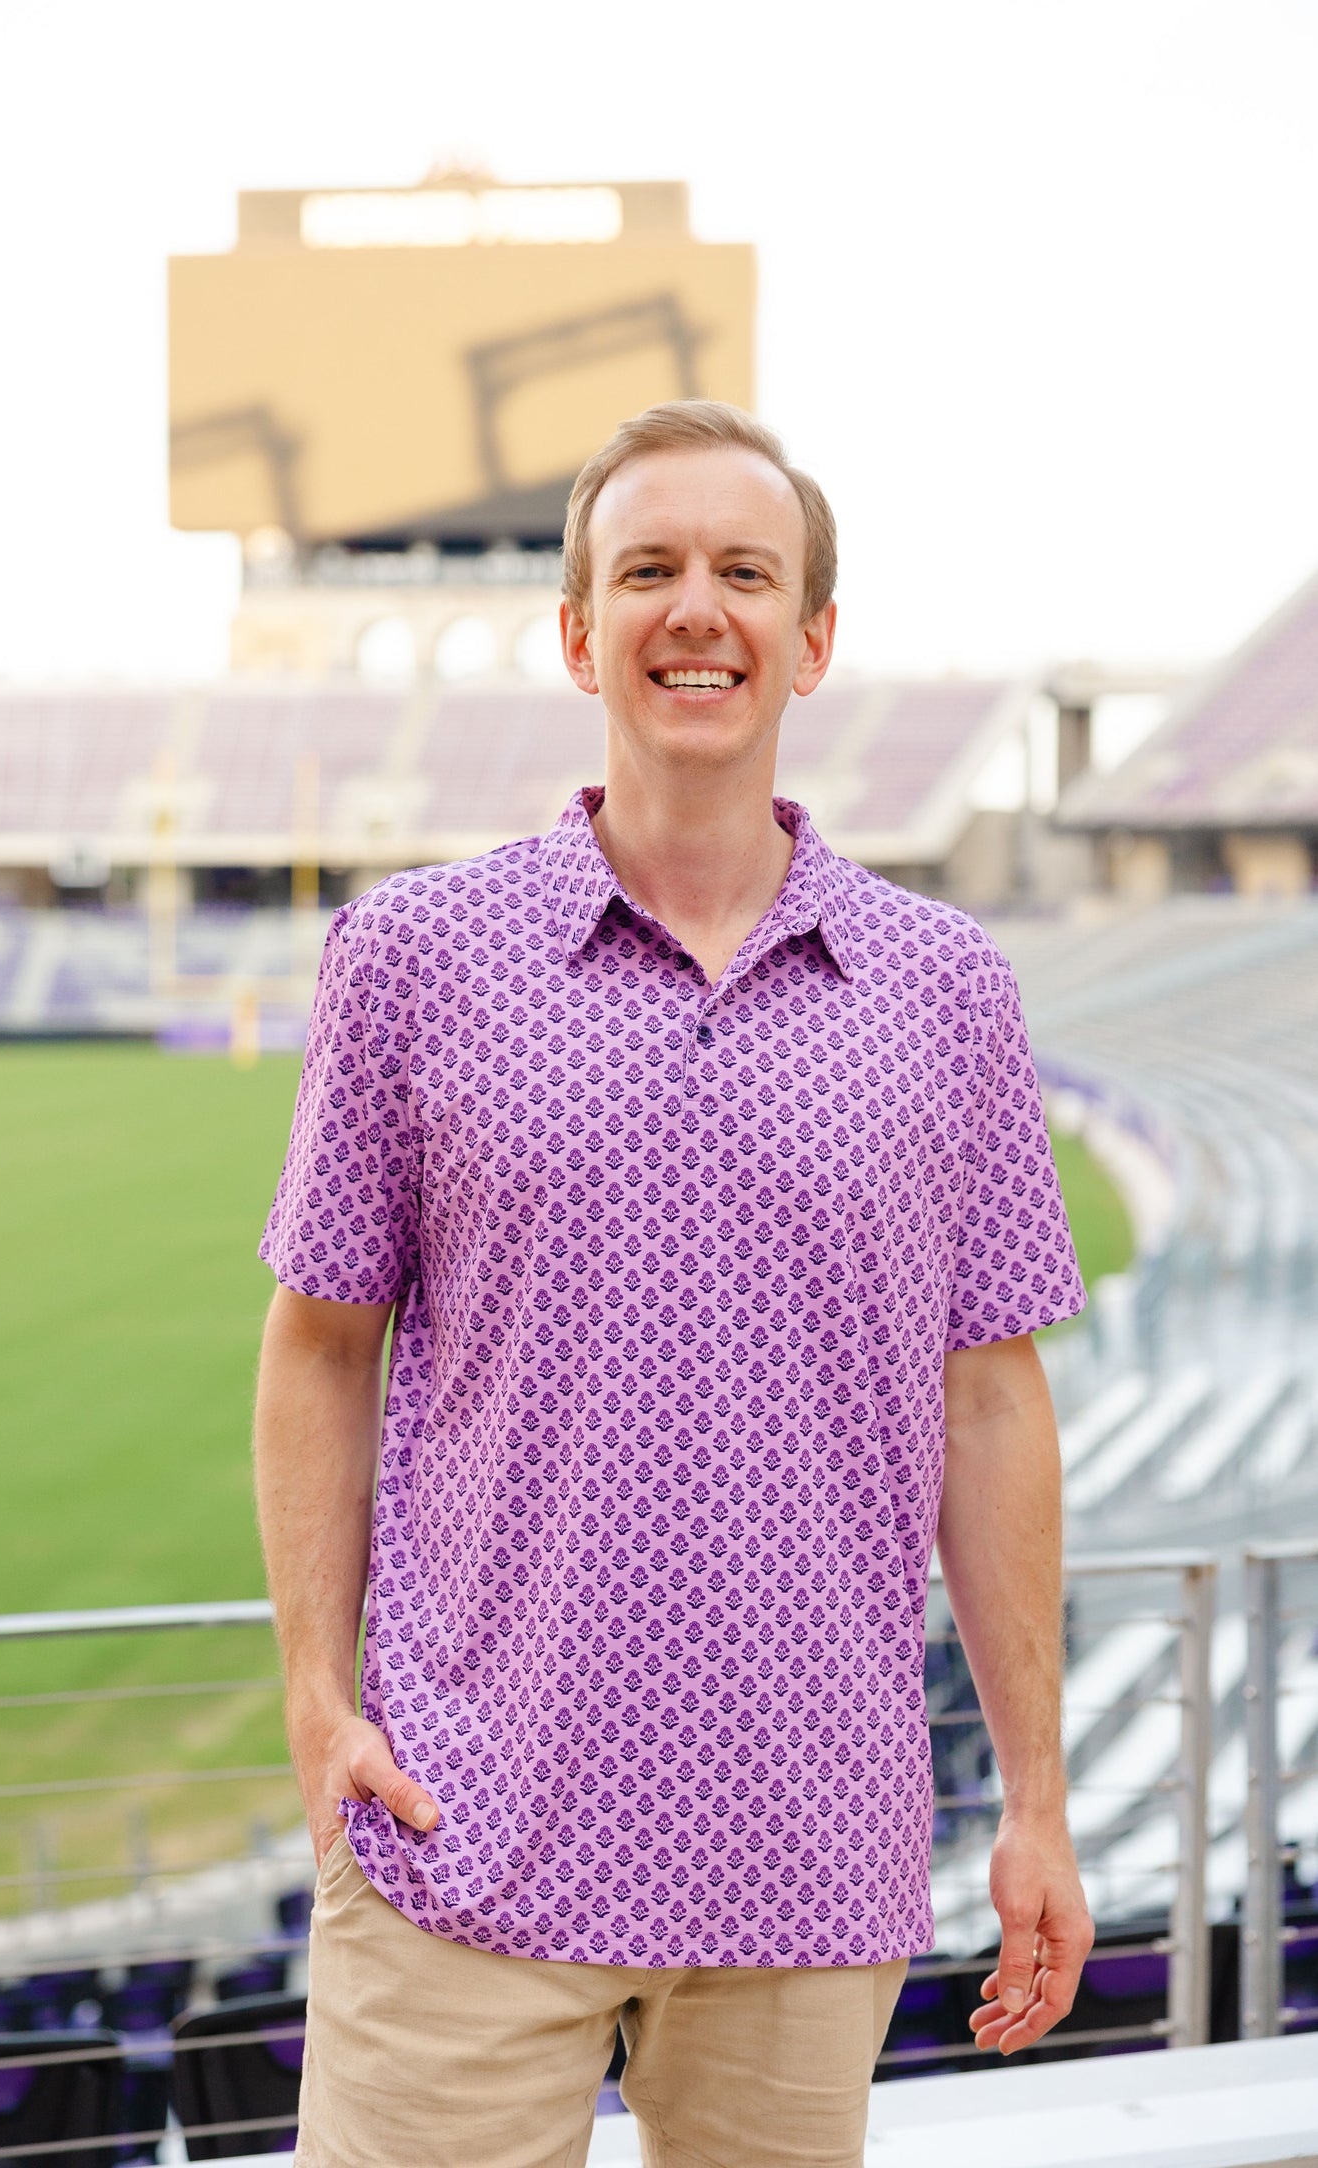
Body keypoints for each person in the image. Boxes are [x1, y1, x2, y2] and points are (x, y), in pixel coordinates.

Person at [254, 400, 1095, 2168]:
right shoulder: (412, 957)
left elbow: (991, 1397)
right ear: (577, 634)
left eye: (742, 571)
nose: (694, 608)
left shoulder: (946, 989)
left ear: (813, 637)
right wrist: (320, 1707)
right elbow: (318, 1345)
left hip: (809, 1849)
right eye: (646, 570)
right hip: (457, 1842)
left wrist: (1035, 1798)